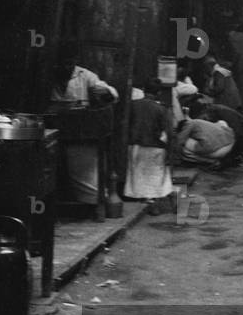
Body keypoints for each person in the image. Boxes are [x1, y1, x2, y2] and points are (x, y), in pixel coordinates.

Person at [49, 41, 118, 204]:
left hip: (77, 129)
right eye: (62, 64)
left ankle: (91, 202)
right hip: (53, 125)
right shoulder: (49, 74)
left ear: (75, 61)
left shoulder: (85, 75)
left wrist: (106, 92)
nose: (66, 68)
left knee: (82, 169)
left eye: (70, 64)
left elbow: (110, 93)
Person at [124, 81, 174, 214]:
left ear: (144, 89)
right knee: (155, 176)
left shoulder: (133, 105)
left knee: (138, 174)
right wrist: (170, 150)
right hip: (154, 145)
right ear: (158, 93)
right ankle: (152, 200)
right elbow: (167, 132)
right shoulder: (161, 109)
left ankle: (144, 199)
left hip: (135, 144)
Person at [189, 97, 243, 167]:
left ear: (203, 112)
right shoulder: (213, 111)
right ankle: (234, 156)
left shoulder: (220, 112)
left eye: (202, 118)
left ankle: (232, 157)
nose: (203, 120)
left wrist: (225, 160)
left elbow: (239, 134)